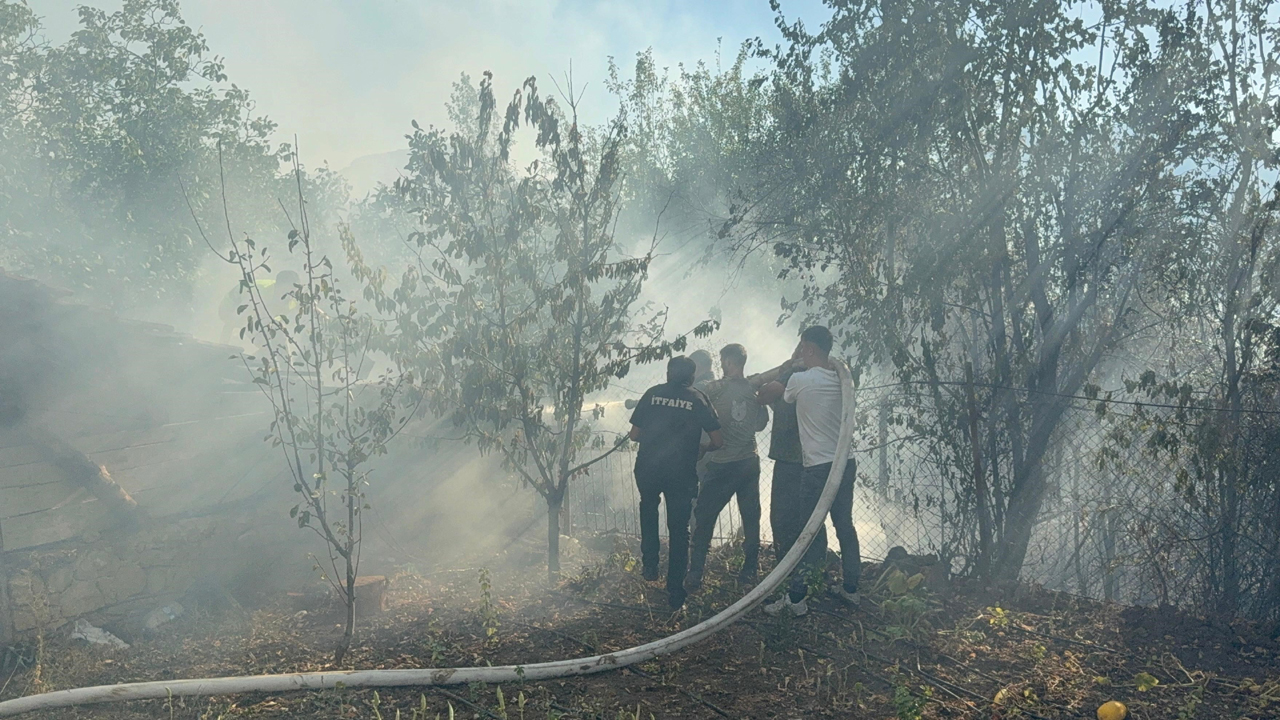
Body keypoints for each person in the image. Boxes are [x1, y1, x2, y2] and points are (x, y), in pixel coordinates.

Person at [757, 325, 860, 617]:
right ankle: (852, 589)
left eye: (802, 347)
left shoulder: (800, 380)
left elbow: (774, 394)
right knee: (845, 526)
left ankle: (796, 599)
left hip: (817, 469)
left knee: (806, 531)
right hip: (844, 464)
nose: (800, 352)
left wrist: (790, 367)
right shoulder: (842, 381)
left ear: (809, 349)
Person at [629, 355, 723, 609]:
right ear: (692, 377)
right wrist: (704, 448)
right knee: (679, 530)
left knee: (648, 507)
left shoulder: (651, 394)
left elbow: (634, 434)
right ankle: (676, 592)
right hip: (681, 473)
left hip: (648, 468)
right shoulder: (697, 398)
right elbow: (718, 440)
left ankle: (649, 564)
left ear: (669, 373)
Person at [685, 344, 771, 592]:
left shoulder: (715, 390)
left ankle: (695, 573)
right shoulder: (754, 392)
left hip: (722, 465)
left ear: (730, 362)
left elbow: (698, 406)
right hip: (749, 462)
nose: (721, 366)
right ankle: (749, 572)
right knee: (751, 517)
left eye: (723, 361)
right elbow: (760, 426)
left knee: (703, 518)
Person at [217, 270, 300, 345]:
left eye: (293, 293)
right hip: (229, 308)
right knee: (260, 335)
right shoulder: (259, 292)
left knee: (276, 336)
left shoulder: (293, 301)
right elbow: (232, 320)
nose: (289, 297)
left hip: (257, 313)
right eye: (286, 292)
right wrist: (223, 345)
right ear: (277, 286)